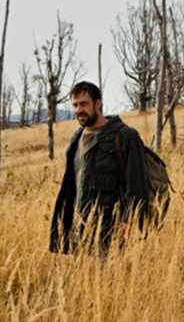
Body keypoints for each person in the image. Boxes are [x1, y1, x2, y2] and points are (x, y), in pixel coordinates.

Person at [49, 81, 150, 255]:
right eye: (75, 105)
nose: (79, 110)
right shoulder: (77, 138)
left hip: (112, 231)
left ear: (98, 103)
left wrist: (129, 222)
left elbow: (137, 184)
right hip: (81, 232)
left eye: (84, 104)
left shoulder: (125, 136)